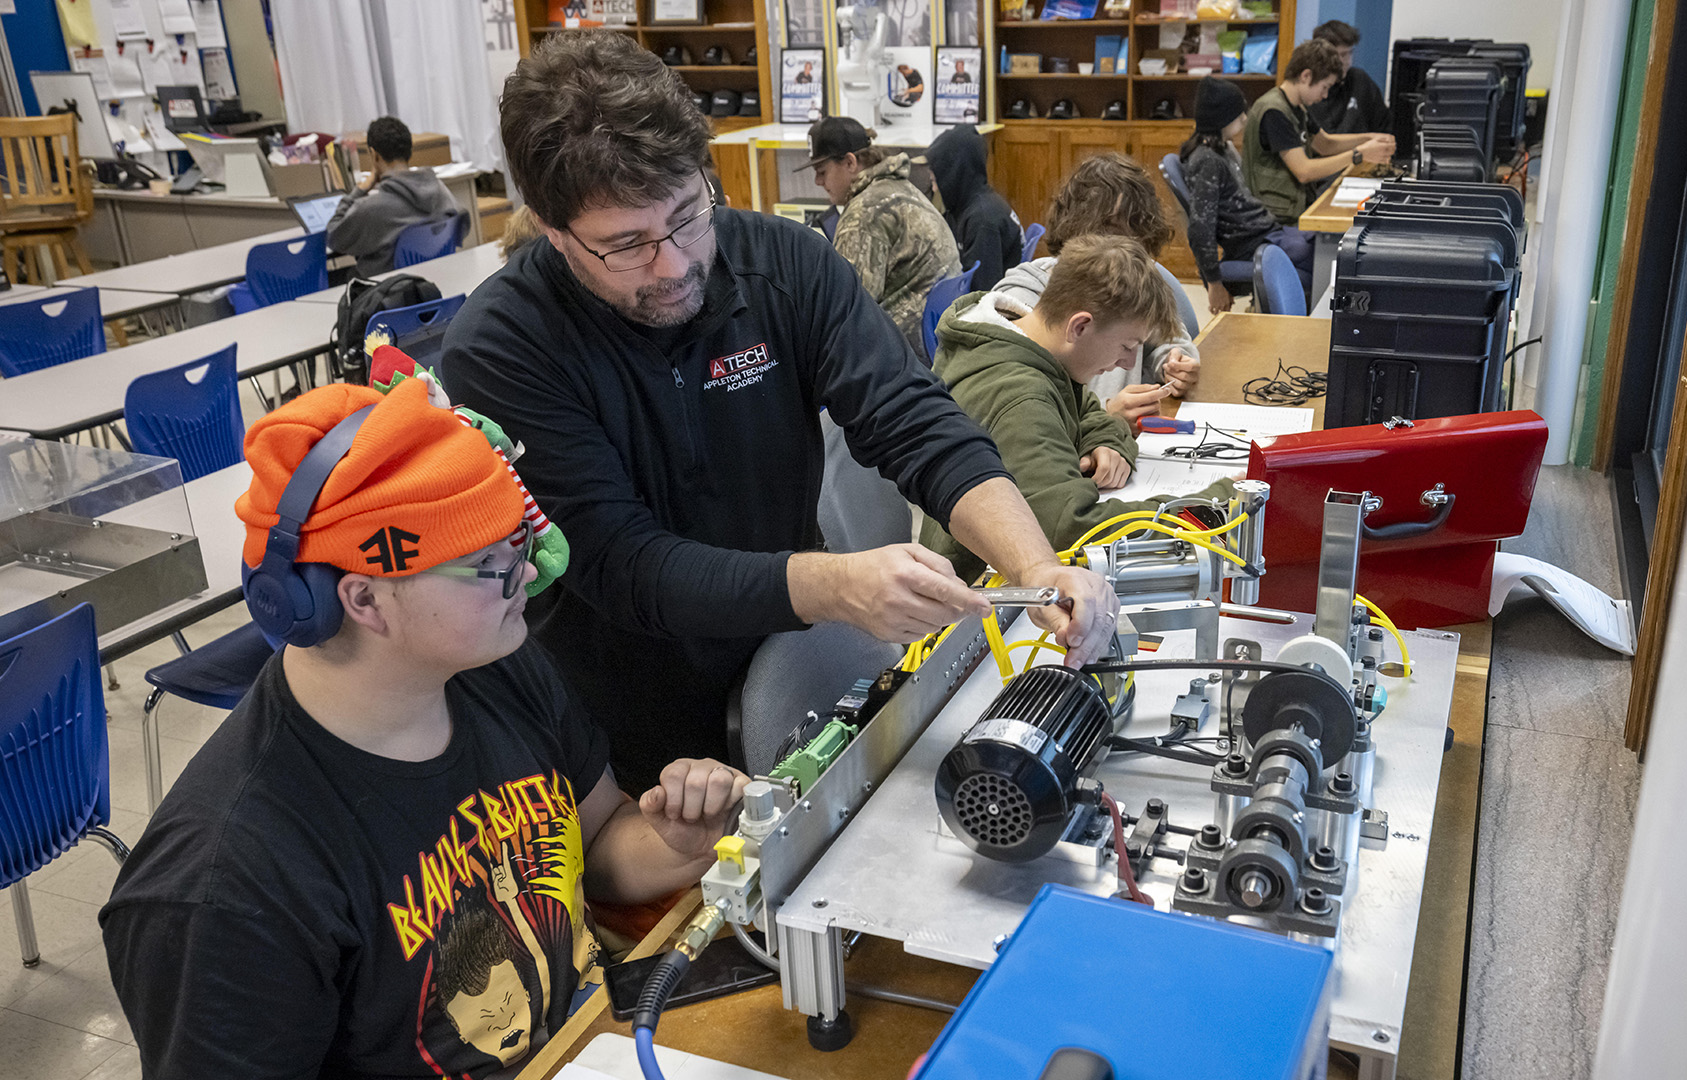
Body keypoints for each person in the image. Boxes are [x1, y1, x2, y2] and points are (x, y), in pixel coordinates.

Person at [438, 34, 1115, 793]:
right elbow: (624, 565)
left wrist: (1036, 564)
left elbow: (912, 418)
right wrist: (835, 585)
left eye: (689, 214)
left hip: (797, 666)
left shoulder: (785, 263)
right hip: (632, 725)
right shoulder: (502, 348)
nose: (676, 264)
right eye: (625, 245)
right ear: (553, 230)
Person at [100, 376, 749, 1078]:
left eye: (519, 544)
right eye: (491, 565)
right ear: (366, 598)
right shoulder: (226, 889)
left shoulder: (494, 666)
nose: (528, 574)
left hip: (593, 1042)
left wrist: (677, 844)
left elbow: (595, 842)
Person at [922, 236, 1241, 581]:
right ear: (1081, 326)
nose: (1129, 362)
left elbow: (1090, 410)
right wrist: (1217, 505)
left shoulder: (1031, 345)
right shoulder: (1021, 398)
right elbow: (1069, 530)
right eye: (1127, 345)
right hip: (974, 598)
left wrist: (1107, 441)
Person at [991, 152, 1201, 426]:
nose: (1130, 258)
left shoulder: (1132, 285)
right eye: (1117, 238)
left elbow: (1171, 337)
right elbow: (1017, 420)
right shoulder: (1022, 299)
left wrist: (1174, 364)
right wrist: (1106, 415)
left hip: (1120, 446)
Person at [805, 114, 962, 363]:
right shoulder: (899, 187)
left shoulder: (864, 212)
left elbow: (847, 311)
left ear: (850, 162)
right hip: (939, 339)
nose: (818, 181)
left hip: (905, 355)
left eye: (822, 171)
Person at [1244, 38, 1394, 228]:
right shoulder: (1274, 111)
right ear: (1306, 76)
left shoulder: (1298, 107)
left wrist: (1370, 138)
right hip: (1272, 221)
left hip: (1292, 211)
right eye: (1325, 87)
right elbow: (1304, 171)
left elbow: (1325, 144)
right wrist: (1359, 155)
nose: (1325, 95)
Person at [1180, 77, 1296, 314]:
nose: (1245, 117)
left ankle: (1266, 311)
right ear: (1220, 118)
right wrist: (1214, 283)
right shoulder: (1208, 161)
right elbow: (1201, 230)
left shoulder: (1224, 149)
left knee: (1317, 246)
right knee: (1315, 258)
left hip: (1264, 234)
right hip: (1251, 244)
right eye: (1238, 113)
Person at [328, 116, 462, 275]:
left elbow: (333, 236)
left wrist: (360, 189)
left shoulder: (371, 207)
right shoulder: (440, 191)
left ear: (374, 155)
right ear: (409, 152)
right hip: (437, 280)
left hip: (387, 292)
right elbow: (462, 227)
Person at [925, 124, 1021, 288]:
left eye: (936, 181)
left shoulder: (982, 221)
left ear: (954, 175)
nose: (934, 189)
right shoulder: (967, 204)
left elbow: (983, 292)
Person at [1309, 19, 1391, 135]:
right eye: (1341, 55)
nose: (1346, 61)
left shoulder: (1360, 79)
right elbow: (1326, 142)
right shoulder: (1312, 90)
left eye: (1350, 53)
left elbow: (1384, 125)